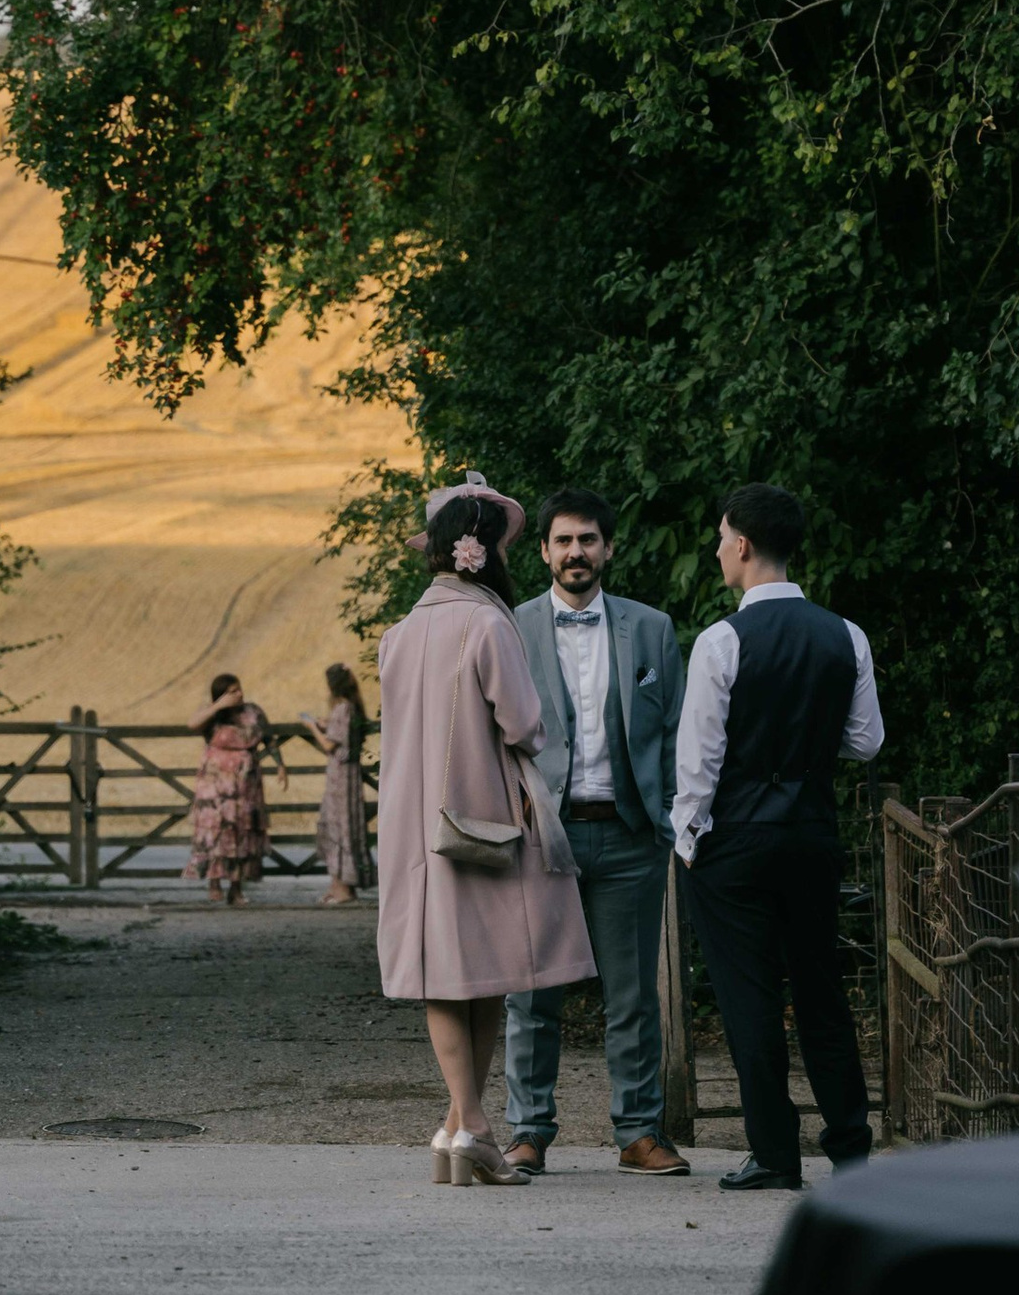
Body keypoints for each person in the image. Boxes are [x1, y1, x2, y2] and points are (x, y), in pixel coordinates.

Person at [375, 472, 594, 1184]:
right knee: (491, 972)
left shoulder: (399, 635)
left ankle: (454, 1128)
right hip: (484, 823)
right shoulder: (489, 623)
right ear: (487, 552)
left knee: (446, 972)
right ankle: (472, 1124)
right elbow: (523, 723)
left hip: (414, 828)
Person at [672, 481, 884, 1192]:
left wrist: (688, 840)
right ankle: (852, 1147)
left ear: (742, 544)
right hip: (812, 834)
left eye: (720, 536)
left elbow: (697, 763)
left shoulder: (721, 641)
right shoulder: (845, 635)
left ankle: (775, 1154)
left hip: (734, 841)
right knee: (821, 991)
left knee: (749, 997)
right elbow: (865, 742)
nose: (717, 548)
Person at [503, 486, 689, 1178]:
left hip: (629, 836)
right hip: (542, 840)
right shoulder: (512, 627)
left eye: (588, 540)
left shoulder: (651, 629)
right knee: (531, 994)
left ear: (608, 548)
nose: (575, 552)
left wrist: (668, 817)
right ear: (544, 550)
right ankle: (528, 1132)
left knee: (634, 997)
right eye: (563, 541)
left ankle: (639, 1131)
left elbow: (673, 731)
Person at [191, 673, 270, 905]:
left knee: (241, 832)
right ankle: (214, 882)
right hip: (215, 783)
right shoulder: (213, 714)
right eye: (233, 691)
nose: (239, 694)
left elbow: (268, 736)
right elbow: (192, 724)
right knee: (215, 831)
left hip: (245, 783)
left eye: (239, 689)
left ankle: (236, 888)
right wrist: (218, 706)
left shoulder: (252, 711)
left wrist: (280, 764)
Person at [317, 659, 371, 904]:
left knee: (339, 827)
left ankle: (344, 889)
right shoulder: (352, 708)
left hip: (340, 776)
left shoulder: (341, 709)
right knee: (345, 826)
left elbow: (330, 745)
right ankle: (337, 884)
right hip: (350, 774)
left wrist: (312, 727)